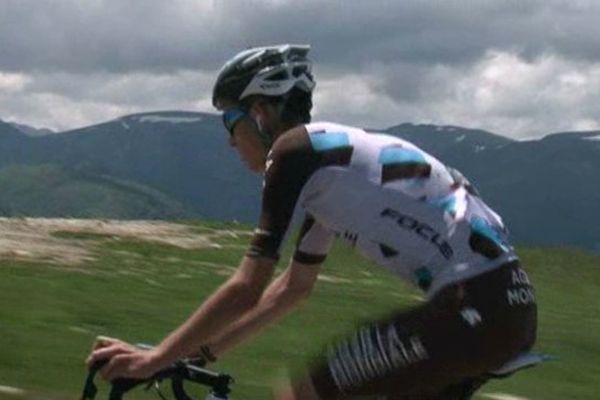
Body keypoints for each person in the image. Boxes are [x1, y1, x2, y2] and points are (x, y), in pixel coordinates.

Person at [87, 44, 537, 399]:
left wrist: (156, 359)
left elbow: (249, 286)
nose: (229, 141)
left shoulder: (292, 154)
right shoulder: (330, 168)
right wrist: (199, 354)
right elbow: (291, 289)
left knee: (304, 395)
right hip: (505, 310)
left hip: (469, 308)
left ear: (259, 112)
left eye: (230, 120)